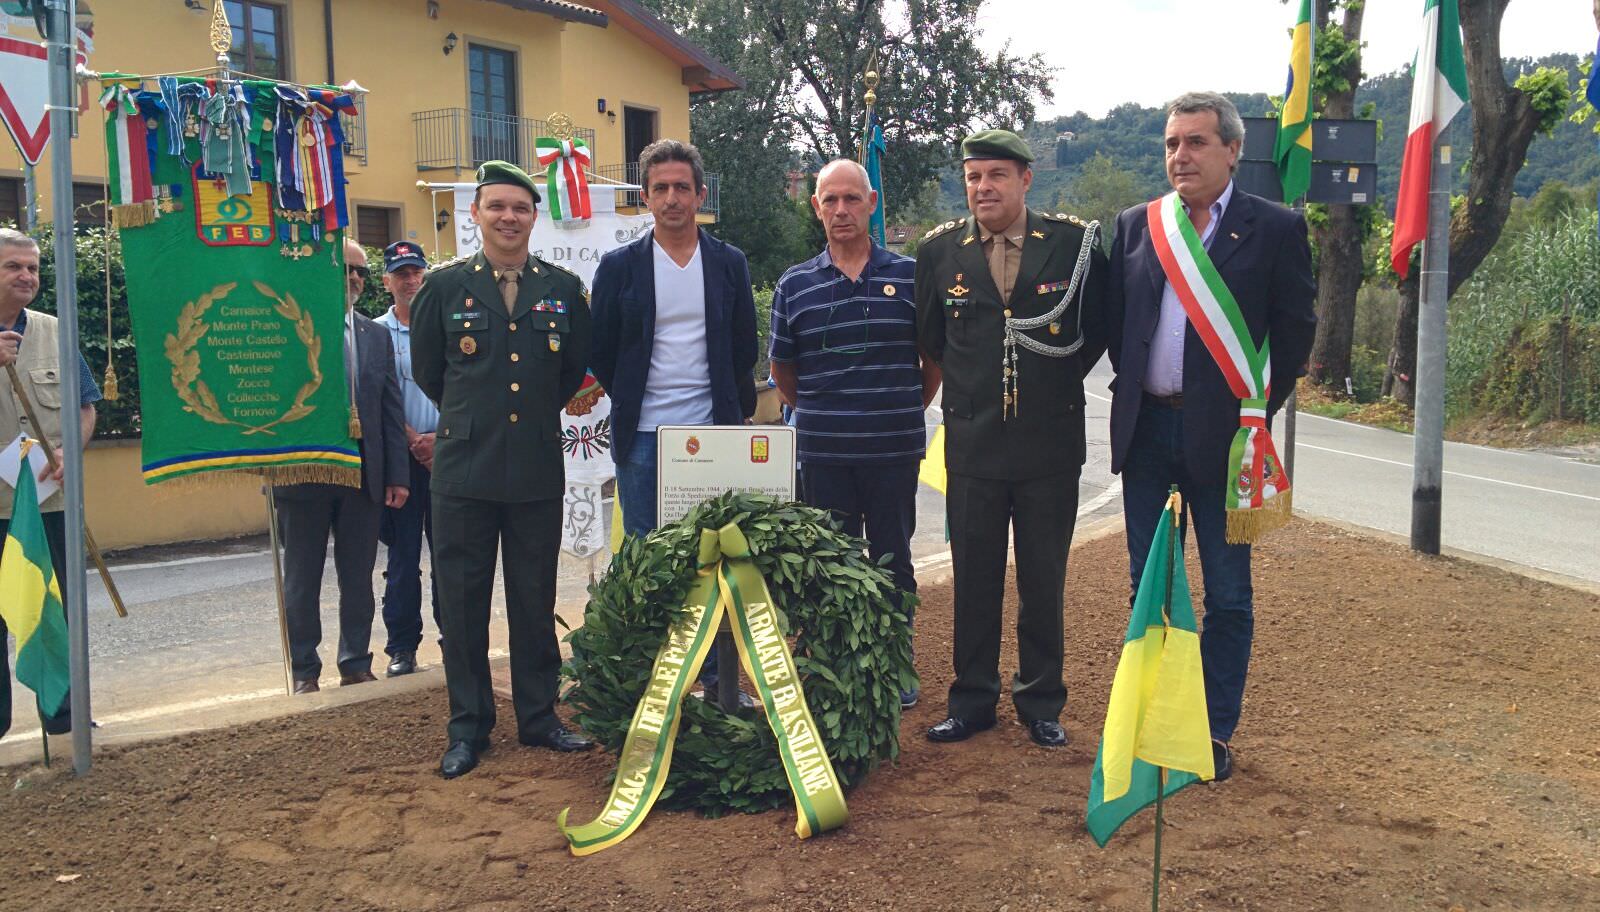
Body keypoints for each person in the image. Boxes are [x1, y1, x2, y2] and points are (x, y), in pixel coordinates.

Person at [1106, 92, 1317, 780]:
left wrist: (1252, 410)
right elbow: (1118, 323)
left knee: (1227, 595)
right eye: (1171, 143)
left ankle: (1213, 731)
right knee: (1150, 587)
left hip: (1226, 445)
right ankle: (1157, 722)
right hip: (1146, 435)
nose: (1180, 156)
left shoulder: (1277, 228)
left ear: (1232, 150)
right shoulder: (1139, 225)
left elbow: (1294, 334)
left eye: (1195, 142)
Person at [914, 129, 1107, 748]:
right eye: (973, 177)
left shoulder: (1075, 244)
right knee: (974, 578)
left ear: (1026, 180)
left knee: (1043, 579)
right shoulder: (939, 252)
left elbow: (1094, 330)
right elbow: (933, 339)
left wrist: (1049, 385)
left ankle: (1041, 701)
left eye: (996, 175)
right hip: (973, 444)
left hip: (1049, 444)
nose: (983, 187)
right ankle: (972, 701)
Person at [411, 160, 595, 779]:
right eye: (496, 207)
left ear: (534, 217)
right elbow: (429, 373)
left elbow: (569, 374)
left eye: (519, 208)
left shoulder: (564, 289)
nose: (508, 217)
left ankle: (540, 718)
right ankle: (468, 728)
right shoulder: (441, 287)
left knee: (532, 600)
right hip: (464, 470)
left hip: (536, 468)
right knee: (461, 605)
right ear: (477, 214)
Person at [770, 158, 940, 710]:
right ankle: (832, 666)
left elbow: (930, 363)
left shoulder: (912, 276)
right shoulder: (795, 285)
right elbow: (783, 375)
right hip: (821, 453)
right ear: (815, 207)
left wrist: (899, 408)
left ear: (870, 203)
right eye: (829, 201)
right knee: (827, 562)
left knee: (893, 558)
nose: (840, 210)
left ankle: (892, 665)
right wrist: (824, 413)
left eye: (851, 199)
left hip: (892, 450)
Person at [589, 138, 757, 696]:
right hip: (642, 437)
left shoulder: (729, 264)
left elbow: (742, 347)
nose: (671, 199)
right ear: (645, 197)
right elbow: (604, 351)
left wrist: (730, 415)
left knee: (711, 554)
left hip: (712, 434)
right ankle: (655, 675)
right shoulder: (619, 268)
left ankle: (714, 675)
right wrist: (635, 398)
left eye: (682, 188)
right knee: (646, 557)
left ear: (700, 195)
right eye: (659, 188)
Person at [273, 239, 409, 694]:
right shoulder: (288, 328)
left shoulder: (376, 335)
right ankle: (304, 669)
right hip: (304, 473)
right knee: (302, 579)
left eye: (360, 272)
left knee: (358, 576)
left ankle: (354, 660)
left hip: (363, 477)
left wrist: (396, 477)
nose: (353, 279)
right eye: (344, 269)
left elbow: (391, 409)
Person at [0, 228, 100, 742]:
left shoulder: (56, 331)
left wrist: (68, 453)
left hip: (51, 503)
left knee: (56, 611)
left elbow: (86, 408)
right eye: (13, 266)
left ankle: (64, 715)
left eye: (32, 268)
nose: (26, 276)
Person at [374, 240, 441, 678]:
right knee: (401, 561)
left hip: (445, 456)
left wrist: (439, 436)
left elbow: (464, 387)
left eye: (416, 272)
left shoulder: (445, 327)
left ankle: (456, 639)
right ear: (387, 282)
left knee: (451, 557)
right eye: (401, 274)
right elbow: (372, 396)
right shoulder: (374, 333)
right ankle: (402, 648)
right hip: (399, 462)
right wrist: (412, 436)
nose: (410, 280)